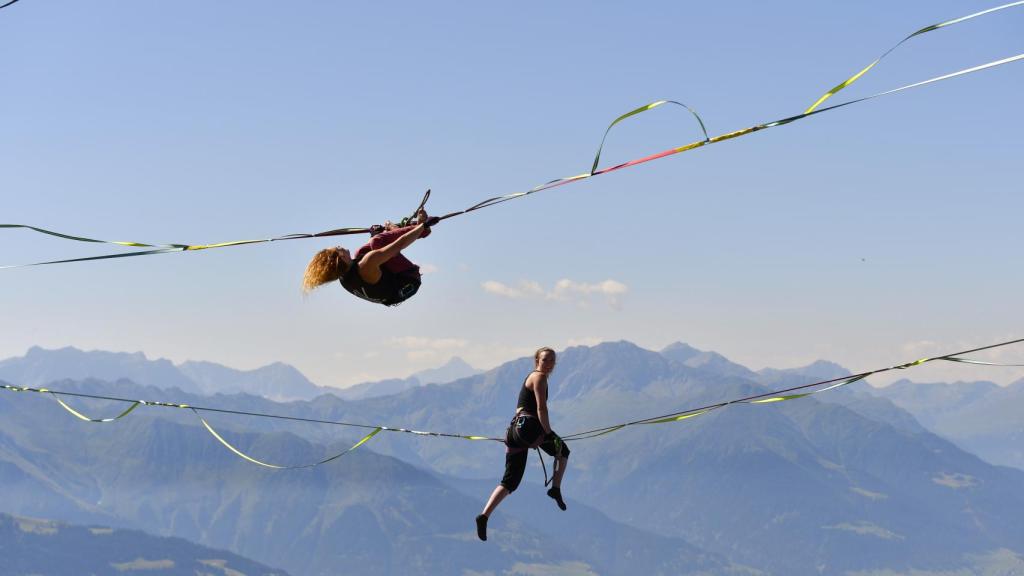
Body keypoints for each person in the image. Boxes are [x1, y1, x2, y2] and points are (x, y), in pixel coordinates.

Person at [475, 347, 570, 541]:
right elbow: (541, 408)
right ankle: (556, 488)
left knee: (510, 482)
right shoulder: (540, 378)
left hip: (514, 431)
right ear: (537, 360)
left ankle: (484, 516)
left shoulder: (531, 376)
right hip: (529, 428)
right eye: (545, 360)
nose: (549, 363)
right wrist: (549, 434)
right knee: (563, 450)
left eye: (552, 360)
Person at [302, 208, 438, 306]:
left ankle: (396, 230)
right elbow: (400, 244)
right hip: (408, 280)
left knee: (364, 249)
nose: (338, 246)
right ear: (340, 258)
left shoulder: (344, 276)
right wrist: (423, 226)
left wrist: (377, 233)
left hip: (391, 292)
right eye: (337, 249)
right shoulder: (367, 264)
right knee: (377, 242)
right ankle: (421, 230)